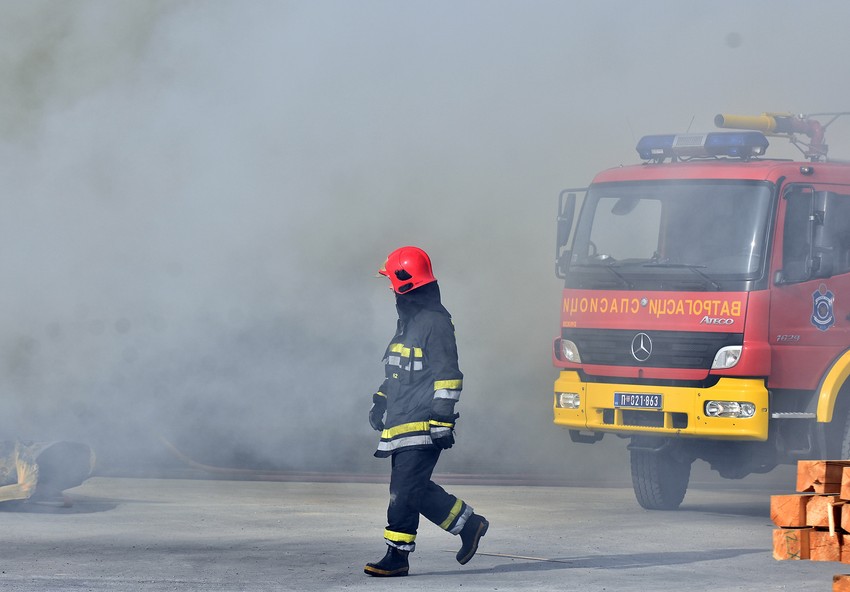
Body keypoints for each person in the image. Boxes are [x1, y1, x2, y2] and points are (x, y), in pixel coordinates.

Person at [364, 246, 489, 578]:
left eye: (392, 280)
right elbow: (400, 371)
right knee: (413, 488)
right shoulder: (410, 322)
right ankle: (468, 524)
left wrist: (442, 420)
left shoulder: (434, 323)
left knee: (404, 491)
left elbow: (448, 374)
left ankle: (397, 555)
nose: (389, 287)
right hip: (402, 421)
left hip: (422, 421)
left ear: (405, 283)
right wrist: (381, 399)